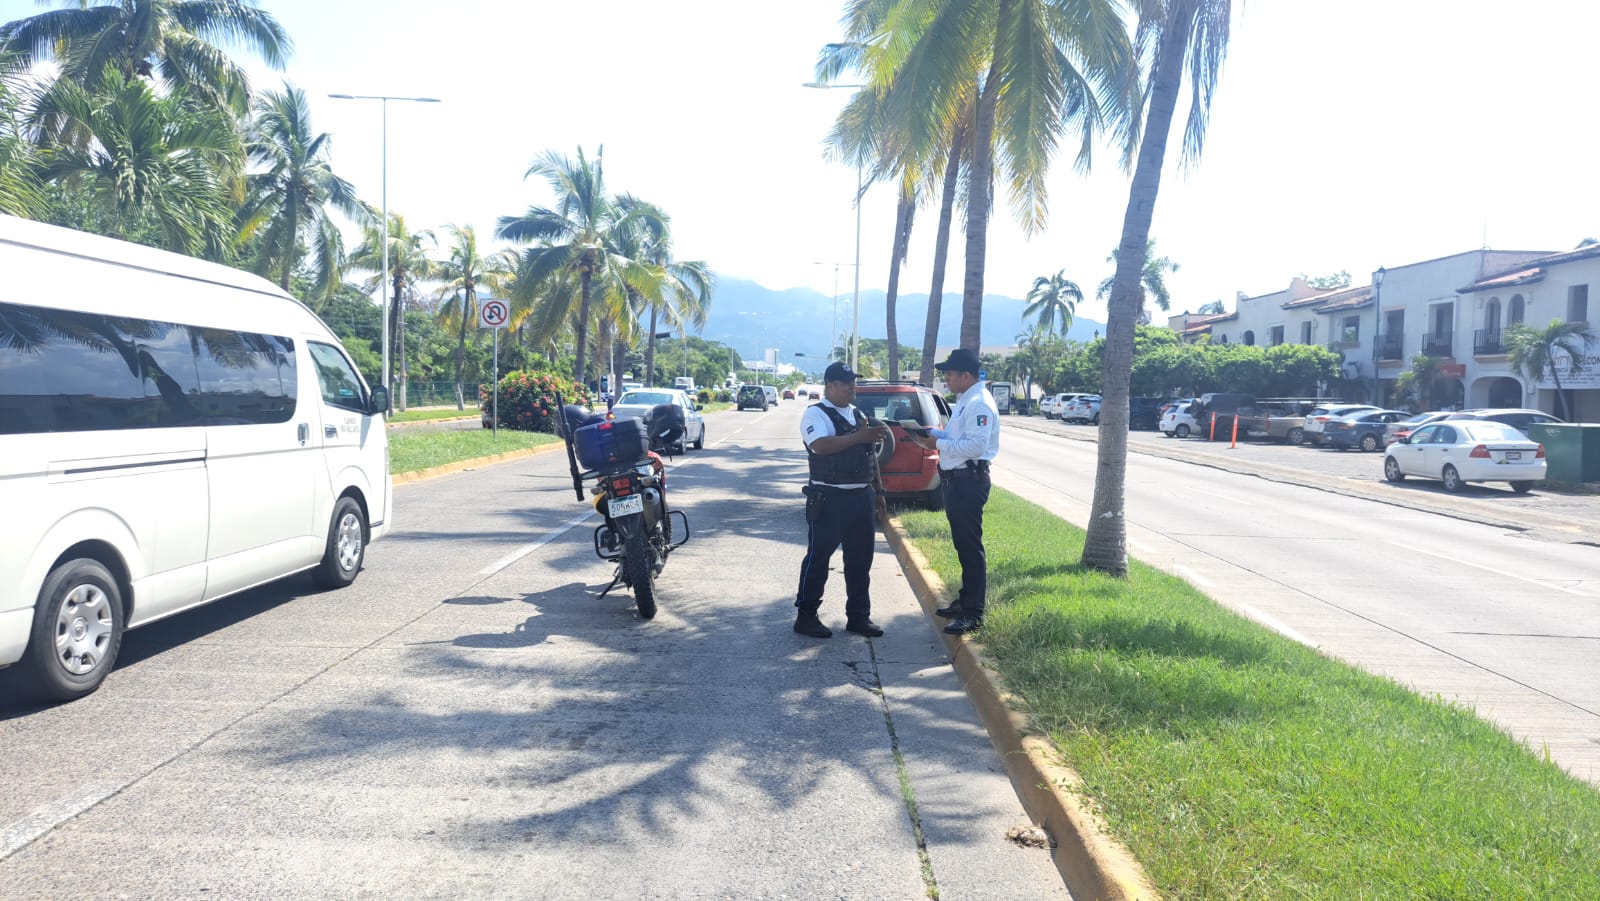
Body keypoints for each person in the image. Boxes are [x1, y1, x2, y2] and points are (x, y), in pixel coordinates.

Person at [793, 361, 891, 639]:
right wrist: (860, 436)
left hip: (861, 496)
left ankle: (859, 617)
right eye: (846, 383)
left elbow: (870, 455)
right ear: (830, 386)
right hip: (830, 498)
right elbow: (821, 446)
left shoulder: (857, 414)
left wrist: (879, 492)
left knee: (860, 561)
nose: (852, 387)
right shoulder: (816, 414)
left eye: (854, 382)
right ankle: (806, 615)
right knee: (818, 558)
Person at [908, 348, 999, 635]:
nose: (946, 378)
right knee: (963, 545)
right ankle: (965, 601)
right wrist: (935, 434)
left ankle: (974, 613)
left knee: (970, 547)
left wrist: (937, 446)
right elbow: (959, 438)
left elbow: (975, 447)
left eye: (949, 374)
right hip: (957, 480)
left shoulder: (979, 404)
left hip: (968, 481)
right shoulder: (966, 400)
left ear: (966, 375)